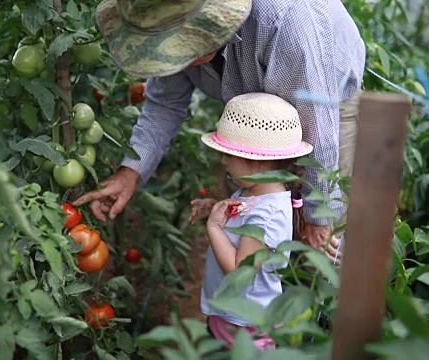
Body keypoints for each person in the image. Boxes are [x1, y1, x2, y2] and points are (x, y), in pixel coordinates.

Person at [73, 0, 366, 261]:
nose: (173, 60)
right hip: (253, 121)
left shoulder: (283, 19)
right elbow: (164, 106)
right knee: (257, 232)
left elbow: (317, 130)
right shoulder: (169, 20)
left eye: (177, 48)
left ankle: (331, 311)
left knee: (326, 245)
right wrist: (131, 172)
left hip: (326, 105)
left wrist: (317, 217)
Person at [196, 92, 311, 350]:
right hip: (231, 318)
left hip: (244, 326)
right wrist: (214, 209)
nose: (223, 160)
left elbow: (240, 271)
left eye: (229, 154)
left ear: (256, 161)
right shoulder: (254, 193)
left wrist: (213, 227)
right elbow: (238, 225)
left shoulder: (267, 216)